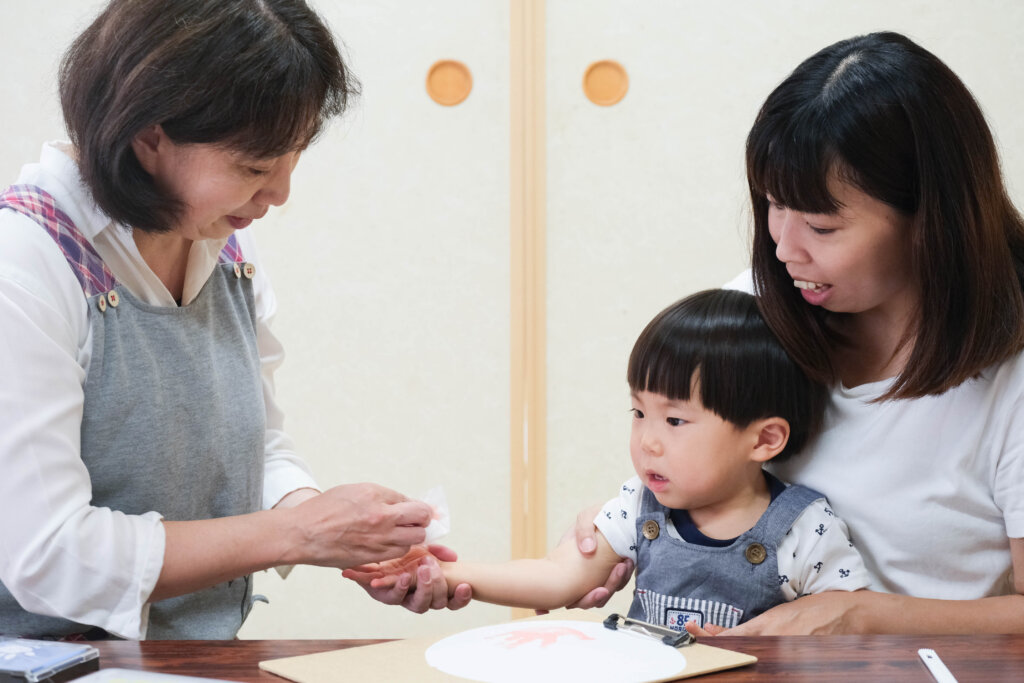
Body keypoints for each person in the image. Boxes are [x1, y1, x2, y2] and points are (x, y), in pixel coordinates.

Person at [0, 0, 468, 640]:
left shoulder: (225, 253)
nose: (279, 195)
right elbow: (51, 555)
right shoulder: (24, 265)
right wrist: (299, 533)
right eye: (253, 167)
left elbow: (254, 446)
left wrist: (335, 525)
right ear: (150, 134)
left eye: (291, 159)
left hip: (194, 655)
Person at [571, 31, 1024, 635]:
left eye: (821, 225)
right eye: (773, 206)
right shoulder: (759, 307)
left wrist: (864, 615)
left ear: (929, 218)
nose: (784, 248)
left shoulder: (1010, 379)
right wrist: (639, 522)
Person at [345, 290, 869, 631]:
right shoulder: (638, 506)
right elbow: (556, 577)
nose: (647, 441)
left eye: (675, 421)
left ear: (764, 440)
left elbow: (841, 626)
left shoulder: (805, 529)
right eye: (638, 412)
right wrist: (436, 566)